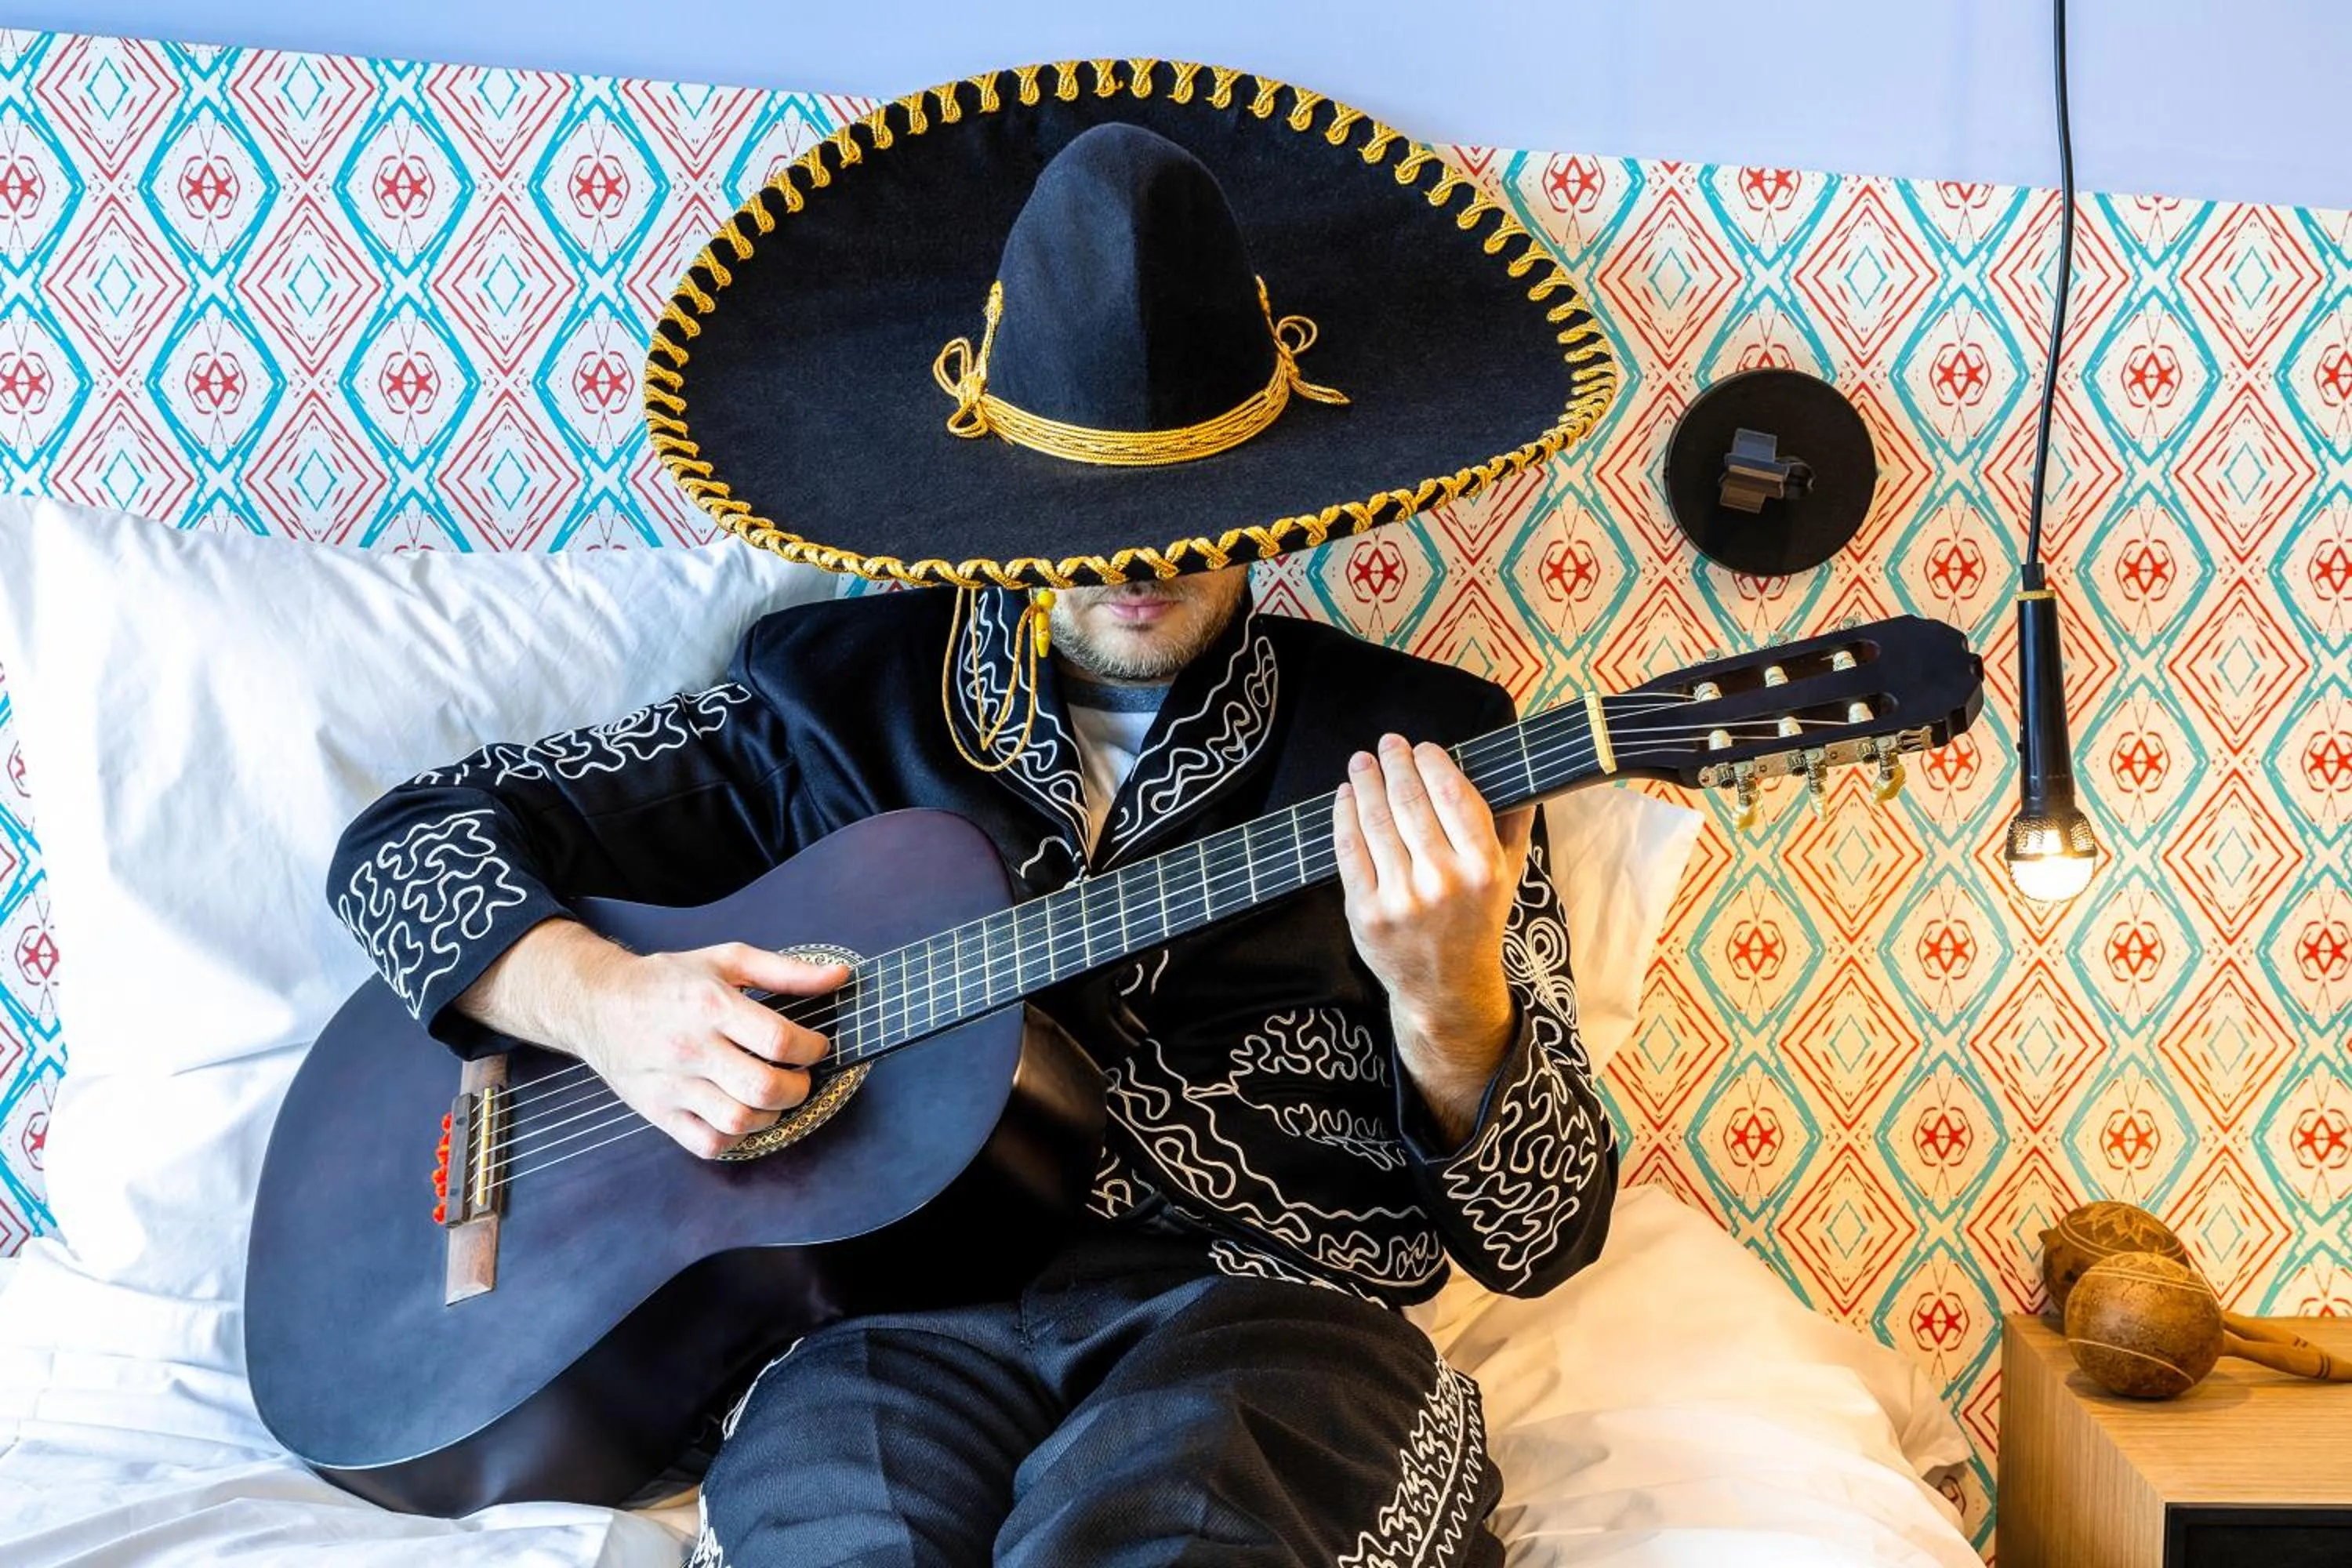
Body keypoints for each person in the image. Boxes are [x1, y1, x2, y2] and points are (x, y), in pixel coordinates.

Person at [330, 60, 1621, 1567]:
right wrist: (612, 1005)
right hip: (877, 1329)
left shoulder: (1432, 753)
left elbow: (1544, 1235)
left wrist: (1451, 999)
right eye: (1092, 518)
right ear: (1001, 490)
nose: (1140, 561)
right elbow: (409, 845)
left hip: (1268, 1320)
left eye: (1195, 514)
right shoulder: (822, 697)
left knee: (1173, 1531)